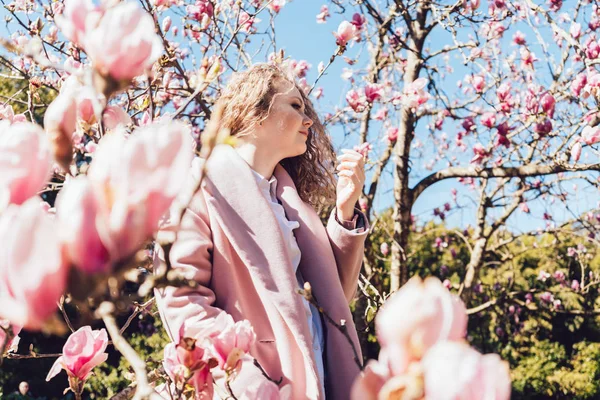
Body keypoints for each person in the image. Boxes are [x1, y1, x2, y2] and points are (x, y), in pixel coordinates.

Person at [154, 63, 369, 399]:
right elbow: (181, 300)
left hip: (322, 384)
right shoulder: (199, 185)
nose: (308, 119)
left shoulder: (292, 206)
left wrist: (344, 212)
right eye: (295, 106)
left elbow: (334, 300)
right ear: (253, 110)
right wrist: (246, 380)